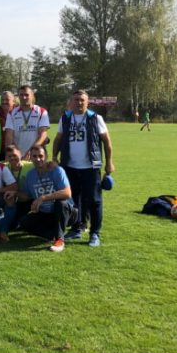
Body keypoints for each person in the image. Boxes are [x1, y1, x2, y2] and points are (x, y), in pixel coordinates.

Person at [52, 89, 114, 247]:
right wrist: (54, 157)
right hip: (70, 166)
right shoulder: (65, 118)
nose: (79, 102)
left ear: (88, 102)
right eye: (76, 100)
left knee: (94, 200)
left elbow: (107, 141)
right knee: (74, 200)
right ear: (71, 102)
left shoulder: (96, 118)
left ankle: (95, 233)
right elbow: (58, 139)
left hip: (91, 166)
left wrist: (109, 162)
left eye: (82, 100)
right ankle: (77, 228)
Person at [16, 145, 76, 253]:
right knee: (24, 222)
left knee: (61, 203)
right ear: (30, 157)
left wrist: (43, 198)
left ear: (46, 156)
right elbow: (27, 195)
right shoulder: (30, 175)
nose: (38, 159)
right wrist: (14, 194)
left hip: (66, 211)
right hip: (46, 213)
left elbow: (67, 193)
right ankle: (52, 234)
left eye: (41, 156)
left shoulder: (56, 170)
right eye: (34, 156)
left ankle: (59, 240)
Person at [0, 144, 34, 242]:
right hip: (10, 199)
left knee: (16, 224)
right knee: (9, 198)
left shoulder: (30, 166)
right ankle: (3, 231)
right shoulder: (3, 167)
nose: (12, 158)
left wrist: (53, 163)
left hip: (28, 200)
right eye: (9, 156)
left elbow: (45, 165)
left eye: (14, 155)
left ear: (21, 154)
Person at [4, 85, 50, 159]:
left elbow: (43, 134)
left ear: (32, 95)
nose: (24, 97)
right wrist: (14, 152)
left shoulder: (42, 112)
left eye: (26, 95)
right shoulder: (11, 113)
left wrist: (32, 150)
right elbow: (9, 136)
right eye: (21, 95)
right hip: (16, 156)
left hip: (36, 156)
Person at [0, 90, 15, 161]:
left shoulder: (19, 114)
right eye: (2, 100)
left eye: (7, 99)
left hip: (16, 151)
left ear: (13, 101)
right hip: (0, 152)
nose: (4, 102)